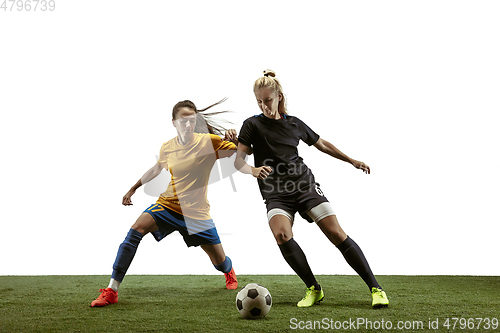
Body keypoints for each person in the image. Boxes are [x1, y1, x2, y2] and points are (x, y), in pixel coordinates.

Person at [234, 70, 389, 308]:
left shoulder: (294, 123)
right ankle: (313, 288)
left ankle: (376, 289)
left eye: (268, 100)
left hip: (304, 185)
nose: (264, 106)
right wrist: (252, 170)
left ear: (279, 97)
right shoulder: (251, 124)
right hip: (276, 192)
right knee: (281, 235)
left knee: (336, 233)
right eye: (259, 101)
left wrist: (352, 160)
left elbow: (322, 144)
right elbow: (238, 160)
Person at [91, 99, 240, 307]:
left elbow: (241, 152)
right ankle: (112, 290)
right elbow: (155, 169)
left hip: (196, 214)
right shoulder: (167, 147)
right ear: (174, 122)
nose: (187, 125)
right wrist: (132, 189)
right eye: (183, 120)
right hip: (167, 206)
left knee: (220, 262)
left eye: (191, 120)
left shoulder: (209, 142)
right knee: (135, 230)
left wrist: (234, 138)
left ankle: (229, 272)